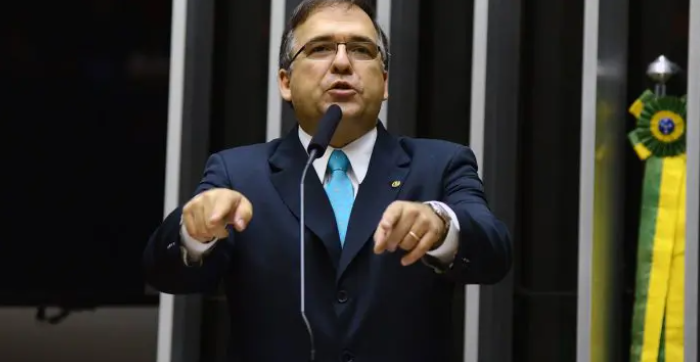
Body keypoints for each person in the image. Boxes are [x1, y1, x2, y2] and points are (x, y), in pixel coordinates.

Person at [143, 0, 512, 361]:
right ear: (285, 83)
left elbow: (494, 252)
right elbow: (165, 273)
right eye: (320, 48)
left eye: (361, 49)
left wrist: (442, 226)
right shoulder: (237, 174)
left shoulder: (440, 164)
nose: (341, 62)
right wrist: (195, 232)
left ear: (384, 83)